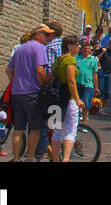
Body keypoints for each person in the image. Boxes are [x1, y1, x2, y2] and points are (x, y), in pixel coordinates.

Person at [6, 24, 53, 161]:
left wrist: (15, 83)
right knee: (35, 127)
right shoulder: (39, 48)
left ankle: (16, 159)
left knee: (19, 128)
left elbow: (9, 70)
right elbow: (39, 71)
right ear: (37, 35)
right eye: (46, 35)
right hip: (32, 92)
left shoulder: (21, 48)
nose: (48, 38)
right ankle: (30, 157)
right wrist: (44, 81)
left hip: (17, 93)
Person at [52, 39, 85, 162]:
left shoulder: (58, 60)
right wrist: (77, 99)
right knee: (70, 131)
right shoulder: (70, 60)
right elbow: (71, 81)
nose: (79, 47)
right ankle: (66, 159)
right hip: (68, 99)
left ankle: (55, 159)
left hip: (56, 99)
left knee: (57, 131)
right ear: (69, 46)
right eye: (77, 45)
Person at [75, 40, 98, 114]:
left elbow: (95, 74)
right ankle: (77, 120)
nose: (86, 50)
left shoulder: (93, 60)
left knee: (86, 104)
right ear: (81, 49)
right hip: (77, 84)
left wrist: (96, 87)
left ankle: (84, 122)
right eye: (84, 48)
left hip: (88, 85)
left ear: (90, 50)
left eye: (88, 48)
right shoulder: (76, 58)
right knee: (76, 103)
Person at [98, 36, 111, 103]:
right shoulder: (104, 50)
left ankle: (101, 107)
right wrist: (102, 53)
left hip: (109, 74)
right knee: (100, 91)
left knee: (107, 93)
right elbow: (96, 59)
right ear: (109, 44)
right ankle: (96, 106)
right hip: (102, 73)